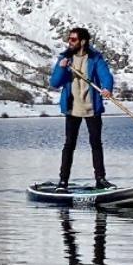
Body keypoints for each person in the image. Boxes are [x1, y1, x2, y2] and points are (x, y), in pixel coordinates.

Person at [48, 27, 115, 192]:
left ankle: (100, 179)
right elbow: (55, 82)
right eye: (69, 39)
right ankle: (63, 181)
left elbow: (106, 76)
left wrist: (107, 88)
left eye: (73, 39)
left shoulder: (95, 58)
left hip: (92, 108)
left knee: (96, 144)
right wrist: (62, 68)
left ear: (83, 41)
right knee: (69, 145)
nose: (69, 42)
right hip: (72, 108)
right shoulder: (65, 58)